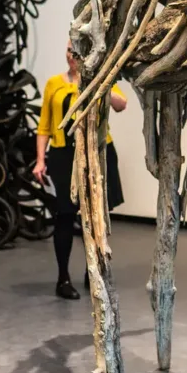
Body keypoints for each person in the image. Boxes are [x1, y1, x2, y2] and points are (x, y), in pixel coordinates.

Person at [34, 47, 127, 299]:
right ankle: (63, 278)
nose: (70, 55)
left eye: (76, 50)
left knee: (96, 216)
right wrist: (40, 160)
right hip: (64, 156)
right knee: (64, 215)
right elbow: (44, 126)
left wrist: (100, 82)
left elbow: (122, 105)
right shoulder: (54, 83)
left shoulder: (101, 78)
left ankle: (93, 272)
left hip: (97, 152)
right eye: (67, 50)